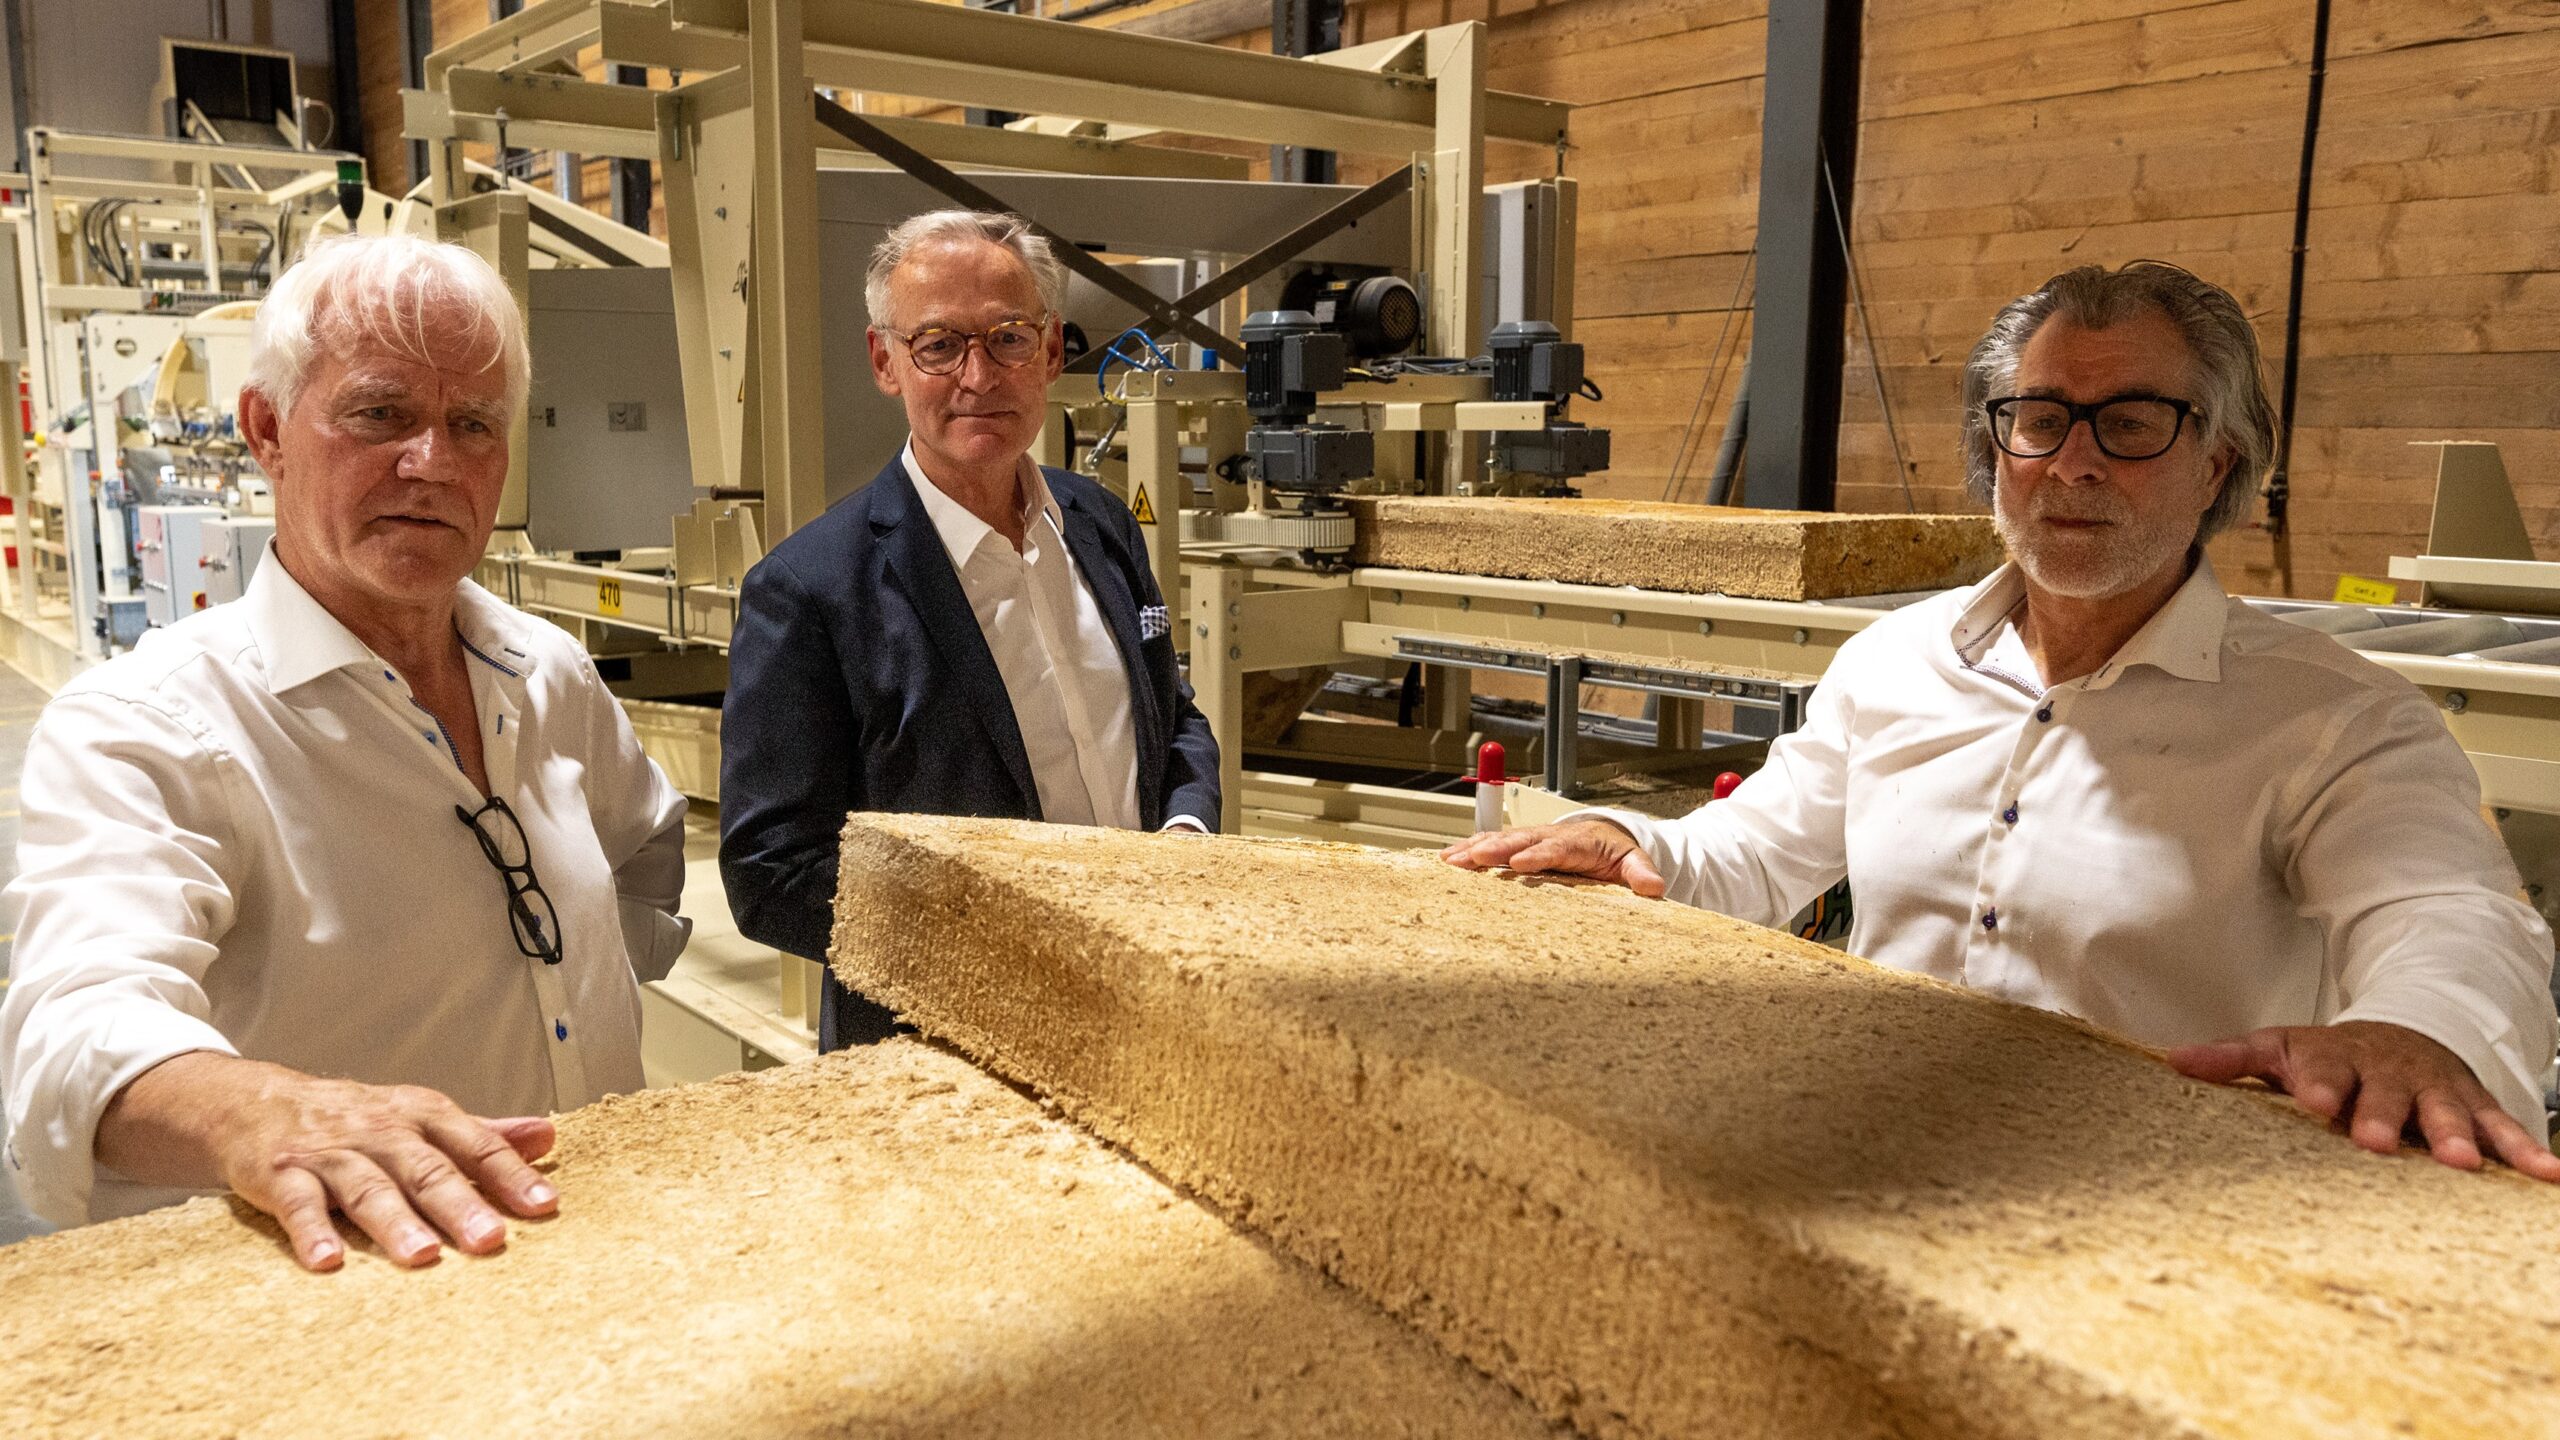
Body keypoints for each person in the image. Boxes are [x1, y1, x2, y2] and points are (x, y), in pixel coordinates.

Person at [1444, 260, 2560, 1179]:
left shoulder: (2330, 717)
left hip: (2159, 1205)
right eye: (2039, 419)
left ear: (2216, 460)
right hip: (1870, 1163)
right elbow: (1759, 850)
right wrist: (1641, 842)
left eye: (2130, 423)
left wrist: (2418, 1031)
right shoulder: (1894, 662)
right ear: (1996, 450)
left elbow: (2449, 913)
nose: (2073, 460)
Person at [0, 234, 692, 1268]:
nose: (433, 463)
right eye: (380, 414)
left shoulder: (549, 675)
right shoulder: (148, 727)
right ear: (267, 429)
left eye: (472, 424)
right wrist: (263, 1114)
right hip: (357, 1302)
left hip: (582, 1260)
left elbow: (642, 851)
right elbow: (72, 1037)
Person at [719, 209, 1219, 1052]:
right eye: (939, 344)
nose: (978, 376)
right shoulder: (808, 591)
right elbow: (772, 872)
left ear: (1053, 352)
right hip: (947, 1047)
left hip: (1146, 998)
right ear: (886, 362)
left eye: (1009, 339)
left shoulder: (1102, 525)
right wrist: (1005, 943)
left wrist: (1185, 836)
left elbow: (1177, 720)